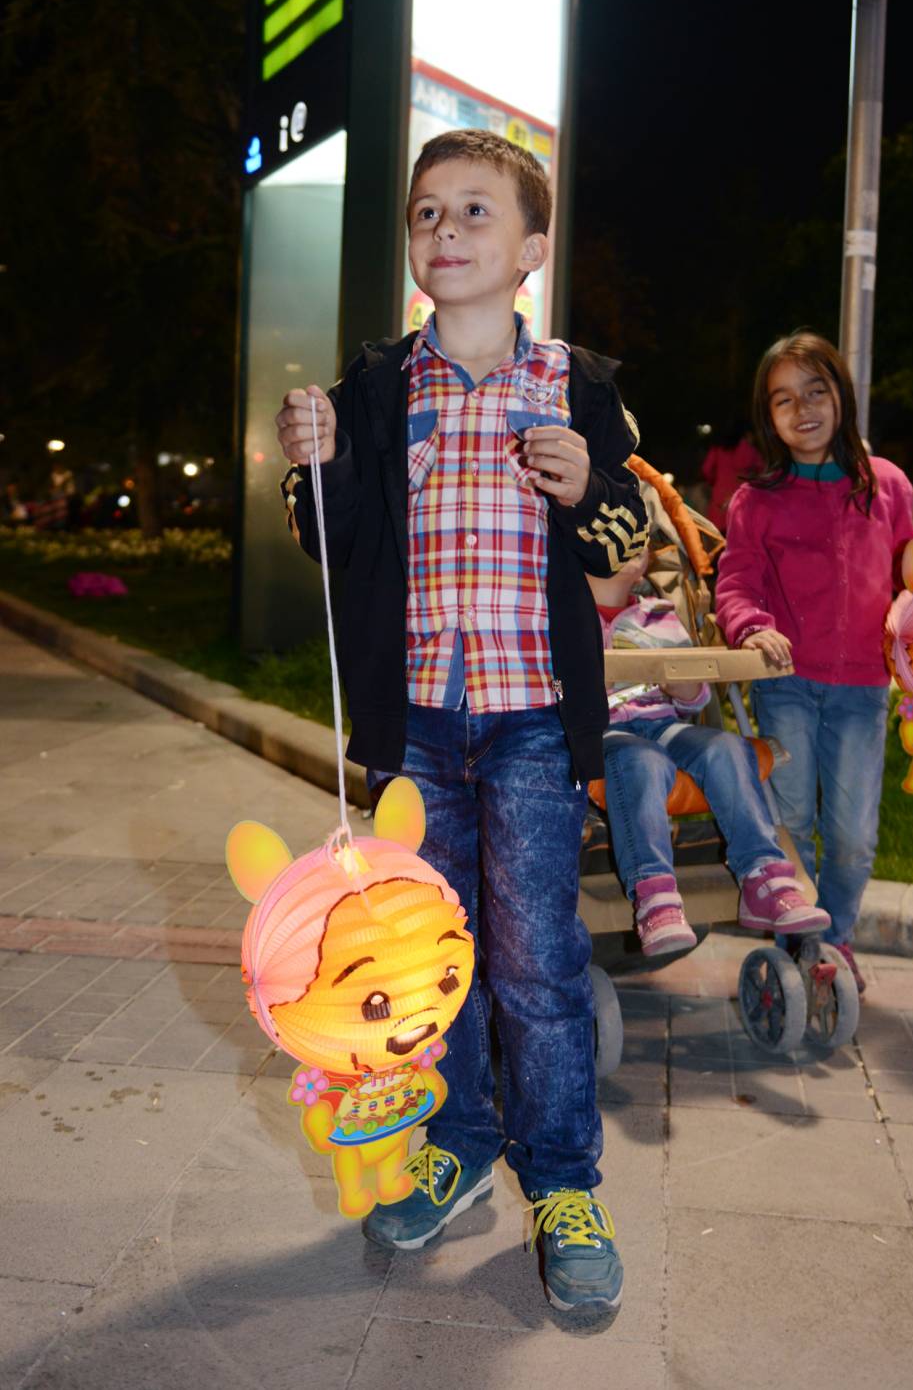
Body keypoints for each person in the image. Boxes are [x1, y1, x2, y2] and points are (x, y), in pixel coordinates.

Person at [274, 129, 648, 1316]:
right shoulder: (380, 385)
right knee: (434, 955)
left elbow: (626, 555)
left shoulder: (580, 386)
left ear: (533, 248)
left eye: (476, 210)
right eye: (428, 210)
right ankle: (459, 1142)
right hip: (419, 725)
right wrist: (315, 463)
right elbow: (330, 539)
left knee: (537, 958)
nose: (445, 228)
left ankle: (565, 1180)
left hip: (534, 717)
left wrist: (590, 488)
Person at [715, 331, 913, 993]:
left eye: (816, 391)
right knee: (791, 825)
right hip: (785, 684)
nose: (803, 409)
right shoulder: (756, 500)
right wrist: (752, 627)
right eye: (784, 399)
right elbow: (736, 584)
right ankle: (799, 947)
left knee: (851, 838)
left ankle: (835, 938)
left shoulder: (885, 484)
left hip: (863, 690)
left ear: (841, 395)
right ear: (768, 416)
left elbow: (911, 564)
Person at [587, 548, 830, 954]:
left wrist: (686, 689)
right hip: (605, 731)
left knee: (727, 748)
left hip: (663, 722)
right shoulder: (562, 615)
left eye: (640, 541)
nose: (634, 546)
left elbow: (695, 694)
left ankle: (763, 876)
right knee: (641, 761)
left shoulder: (660, 617)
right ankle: (654, 897)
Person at [700, 418, 763, 533]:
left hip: (720, 500)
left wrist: (714, 482)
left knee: (721, 538)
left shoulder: (718, 449)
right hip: (742, 499)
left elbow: (707, 469)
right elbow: (762, 471)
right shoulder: (748, 448)